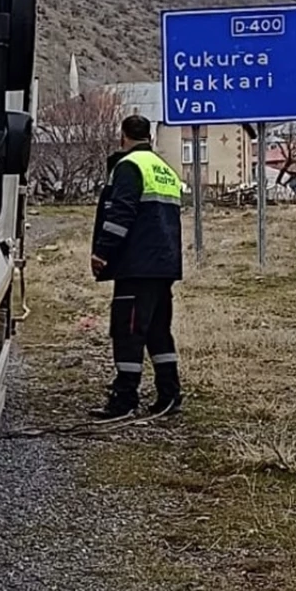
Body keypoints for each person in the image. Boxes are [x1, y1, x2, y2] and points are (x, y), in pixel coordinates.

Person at [89, 114, 184, 421]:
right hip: (164, 265)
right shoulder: (164, 169)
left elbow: (121, 214)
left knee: (127, 332)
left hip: (136, 265)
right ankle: (169, 394)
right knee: (158, 332)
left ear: (123, 136)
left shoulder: (129, 167)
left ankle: (124, 399)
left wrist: (103, 252)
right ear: (150, 138)